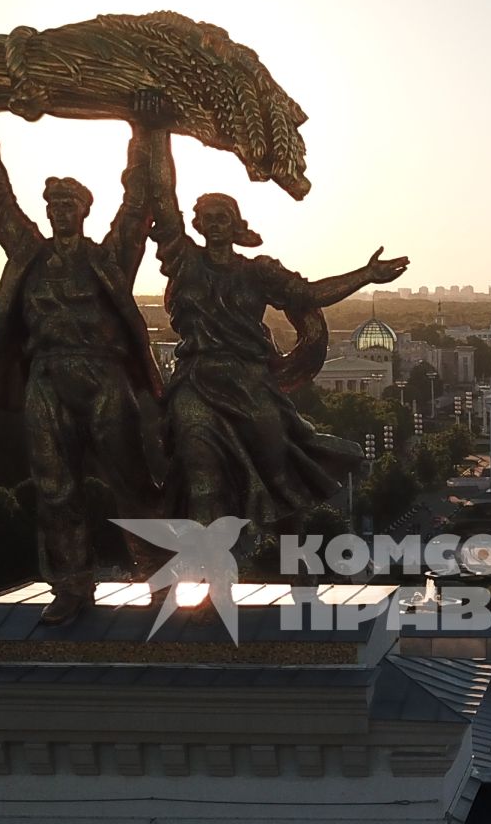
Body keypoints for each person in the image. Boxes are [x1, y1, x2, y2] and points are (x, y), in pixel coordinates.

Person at [0, 94, 167, 625]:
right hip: (47, 381)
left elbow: (138, 202)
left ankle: (160, 578)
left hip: (104, 380)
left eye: (67, 205)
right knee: (55, 488)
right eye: (52, 207)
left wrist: (145, 129)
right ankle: (72, 584)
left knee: (130, 483)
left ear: (84, 210)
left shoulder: (109, 257)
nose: (58, 213)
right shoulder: (30, 253)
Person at [144, 130, 408, 537]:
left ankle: (293, 563)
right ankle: (207, 583)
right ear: (196, 225)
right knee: (202, 482)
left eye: (223, 218)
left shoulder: (258, 271)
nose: (214, 225)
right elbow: (162, 196)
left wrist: (366, 275)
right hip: (196, 382)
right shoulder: (183, 260)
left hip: (250, 384)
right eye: (208, 218)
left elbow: (308, 294)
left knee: (280, 474)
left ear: (236, 226)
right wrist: (155, 131)